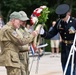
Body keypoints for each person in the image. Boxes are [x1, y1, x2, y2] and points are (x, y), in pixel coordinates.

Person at [39, 4, 76, 75]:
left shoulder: (74, 22)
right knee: (66, 68)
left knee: (74, 69)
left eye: (63, 16)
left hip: (74, 48)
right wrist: (43, 33)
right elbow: (51, 34)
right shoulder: (59, 22)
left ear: (68, 13)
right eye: (60, 17)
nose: (62, 18)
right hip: (65, 49)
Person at [18, 11, 31, 75]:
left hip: (26, 56)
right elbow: (17, 45)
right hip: (19, 56)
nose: (24, 22)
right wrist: (27, 48)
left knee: (26, 72)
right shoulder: (16, 30)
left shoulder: (25, 29)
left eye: (25, 20)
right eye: (23, 20)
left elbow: (29, 40)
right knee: (21, 72)